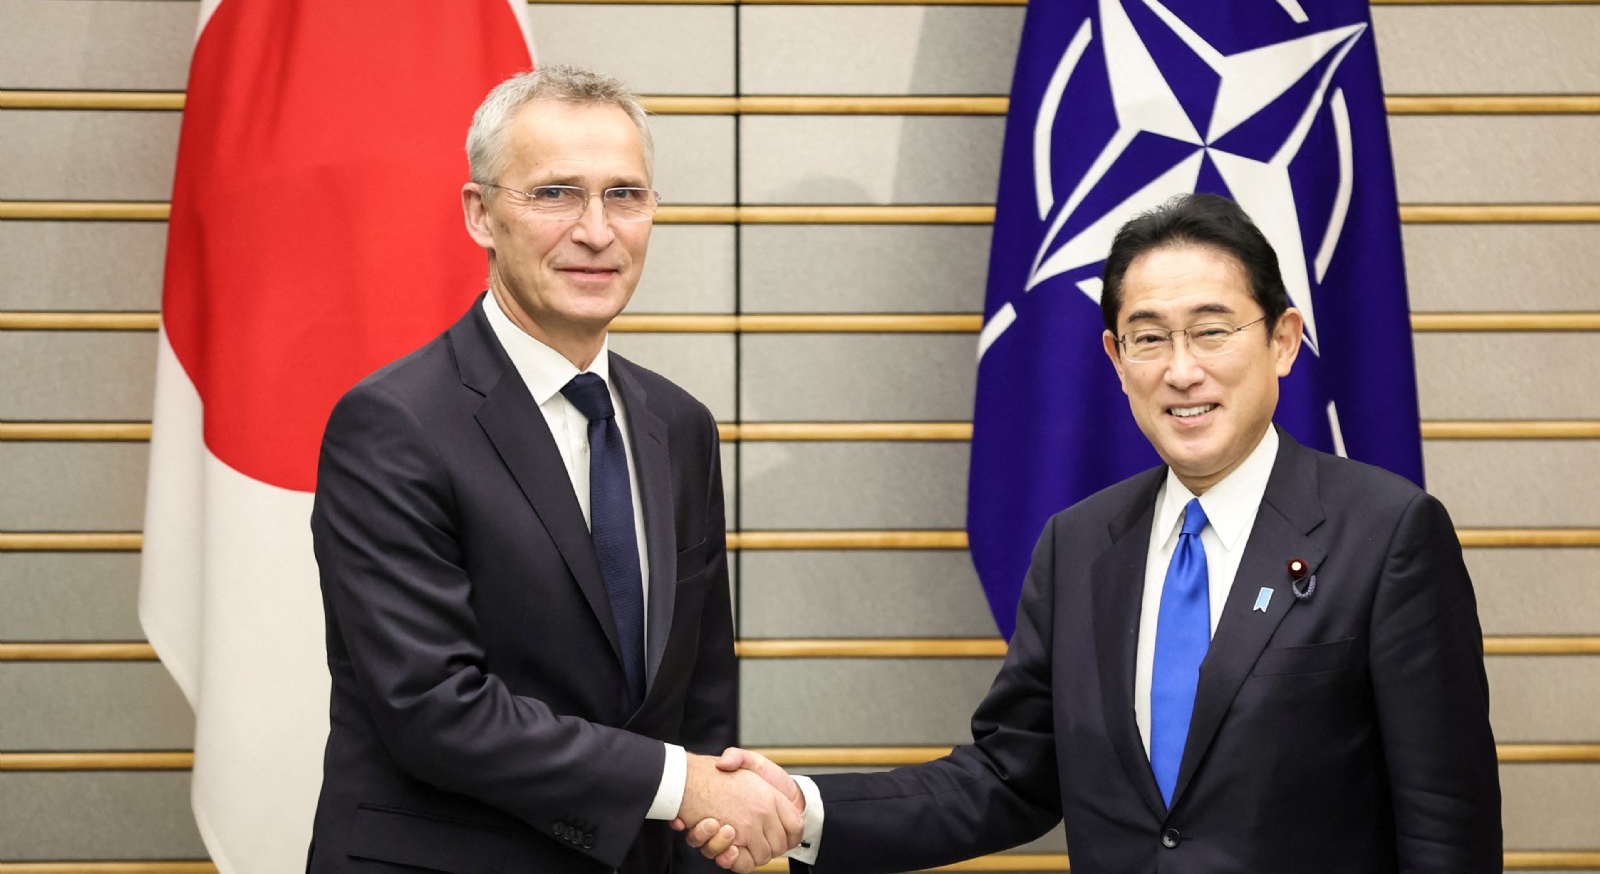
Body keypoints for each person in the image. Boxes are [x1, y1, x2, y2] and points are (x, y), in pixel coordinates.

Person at [686, 192, 1502, 873]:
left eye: (1213, 330)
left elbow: (1445, 827)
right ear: (1116, 358)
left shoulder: (1388, 534)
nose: (1181, 369)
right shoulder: (1080, 547)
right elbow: (1009, 778)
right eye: (1149, 338)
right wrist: (805, 808)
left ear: (1282, 341)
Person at [306, 65, 801, 873]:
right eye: (556, 194)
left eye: (625, 195)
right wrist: (683, 786)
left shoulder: (679, 425)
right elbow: (435, 709)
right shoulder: (393, 425)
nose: (597, 231)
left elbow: (700, 701)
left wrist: (711, 814)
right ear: (481, 215)